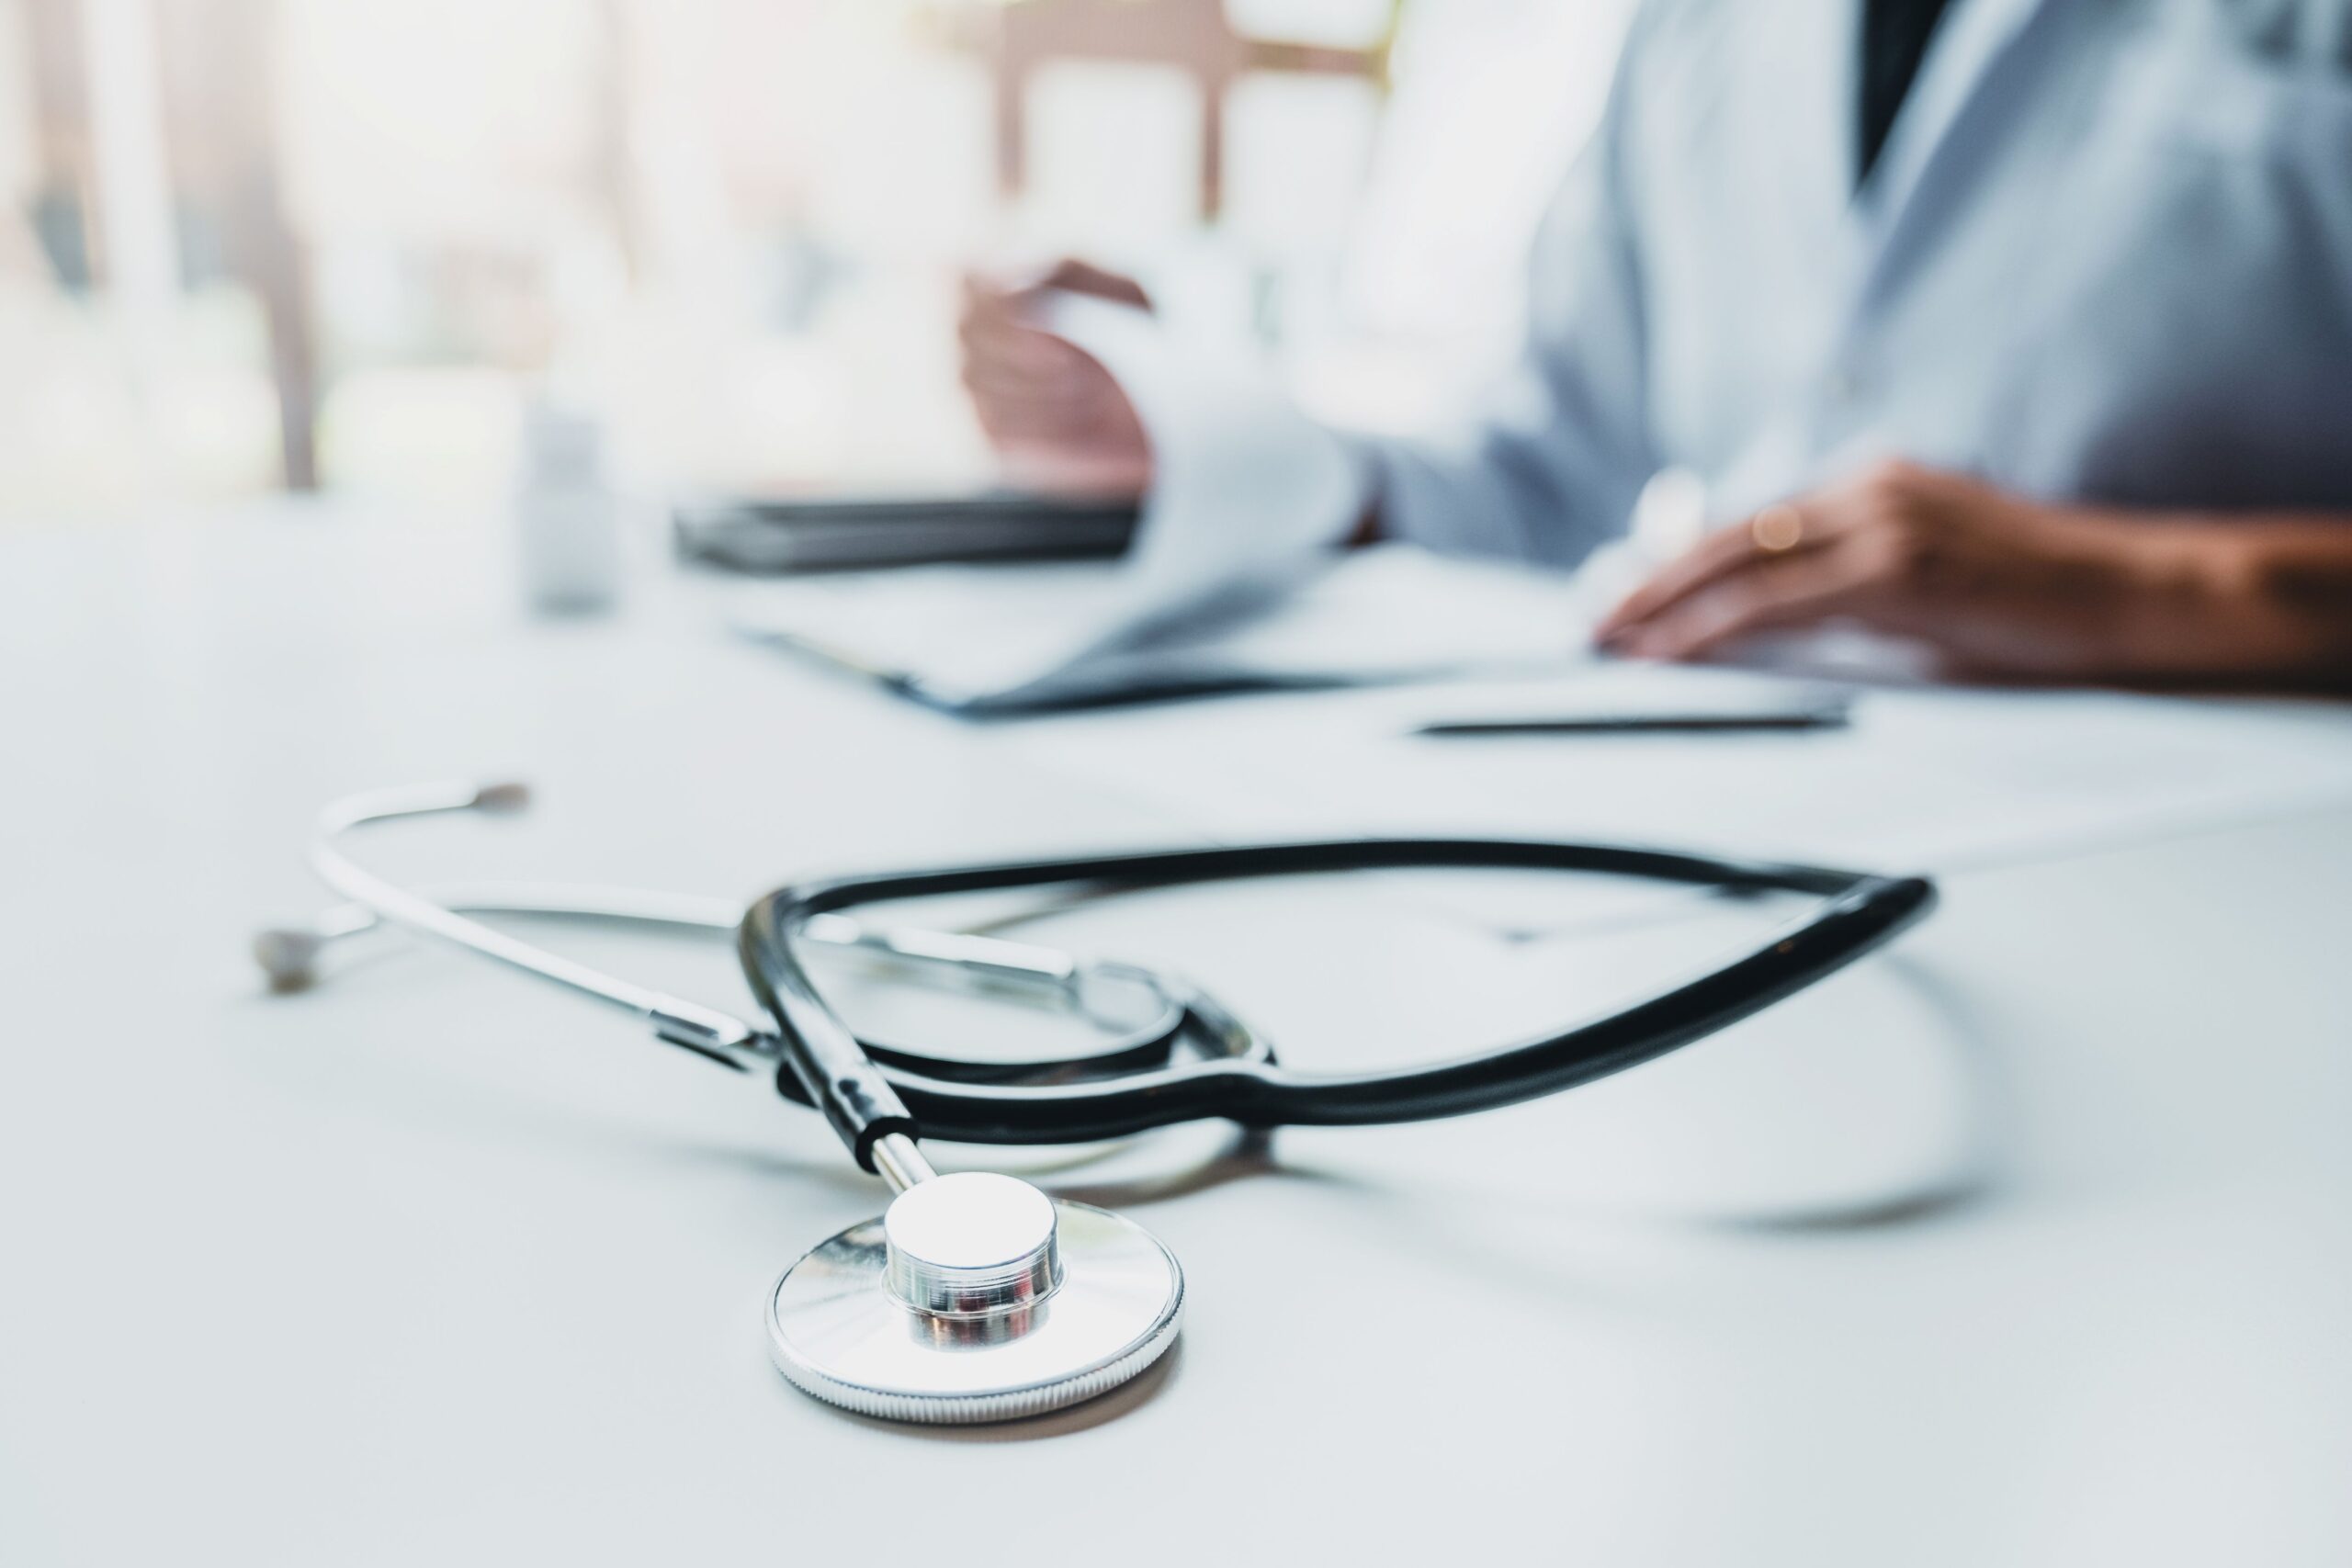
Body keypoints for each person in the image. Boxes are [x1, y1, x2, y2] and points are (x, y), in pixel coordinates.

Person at [959, 0, 2352, 686]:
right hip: (1764, 824)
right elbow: (1554, 469)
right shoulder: (1703, 21)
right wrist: (1214, 429)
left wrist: (2143, 585)